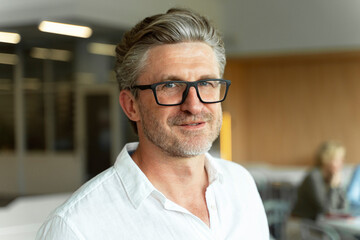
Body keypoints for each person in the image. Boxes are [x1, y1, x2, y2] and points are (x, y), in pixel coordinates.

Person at [36, 8, 269, 239]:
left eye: (206, 83)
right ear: (131, 106)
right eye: (170, 86)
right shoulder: (76, 228)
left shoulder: (241, 185)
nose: (194, 105)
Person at [291, 141, 348, 220]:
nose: (341, 163)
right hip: (300, 224)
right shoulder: (313, 177)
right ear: (326, 159)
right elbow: (326, 211)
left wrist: (338, 187)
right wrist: (333, 187)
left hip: (318, 224)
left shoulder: (331, 178)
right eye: (337, 160)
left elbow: (343, 208)